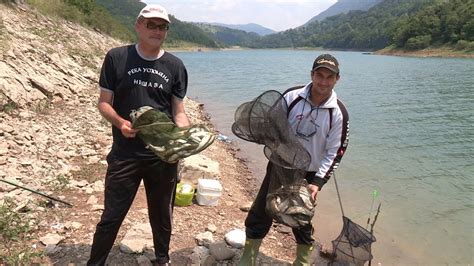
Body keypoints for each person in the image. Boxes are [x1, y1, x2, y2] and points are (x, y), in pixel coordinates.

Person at [87, 4, 190, 266]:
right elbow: (104, 102)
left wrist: (186, 134)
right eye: (151, 25)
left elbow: (178, 111)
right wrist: (121, 122)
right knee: (112, 214)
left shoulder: (175, 66)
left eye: (162, 26)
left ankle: (162, 259)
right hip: (125, 152)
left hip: (162, 155)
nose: (157, 30)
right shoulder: (116, 57)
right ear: (138, 25)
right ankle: (95, 262)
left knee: (162, 214)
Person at [238, 54, 349, 266]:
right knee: (262, 209)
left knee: (301, 217)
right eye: (319, 75)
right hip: (280, 165)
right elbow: (272, 125)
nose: (323, 81)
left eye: (329, 77)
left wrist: (317, 182)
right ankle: (248, 257)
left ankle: (302, 261)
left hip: (309, 173)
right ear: (312, 75)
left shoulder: (339, 112)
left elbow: (336, 151)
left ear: (337, 79)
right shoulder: (292, 96)